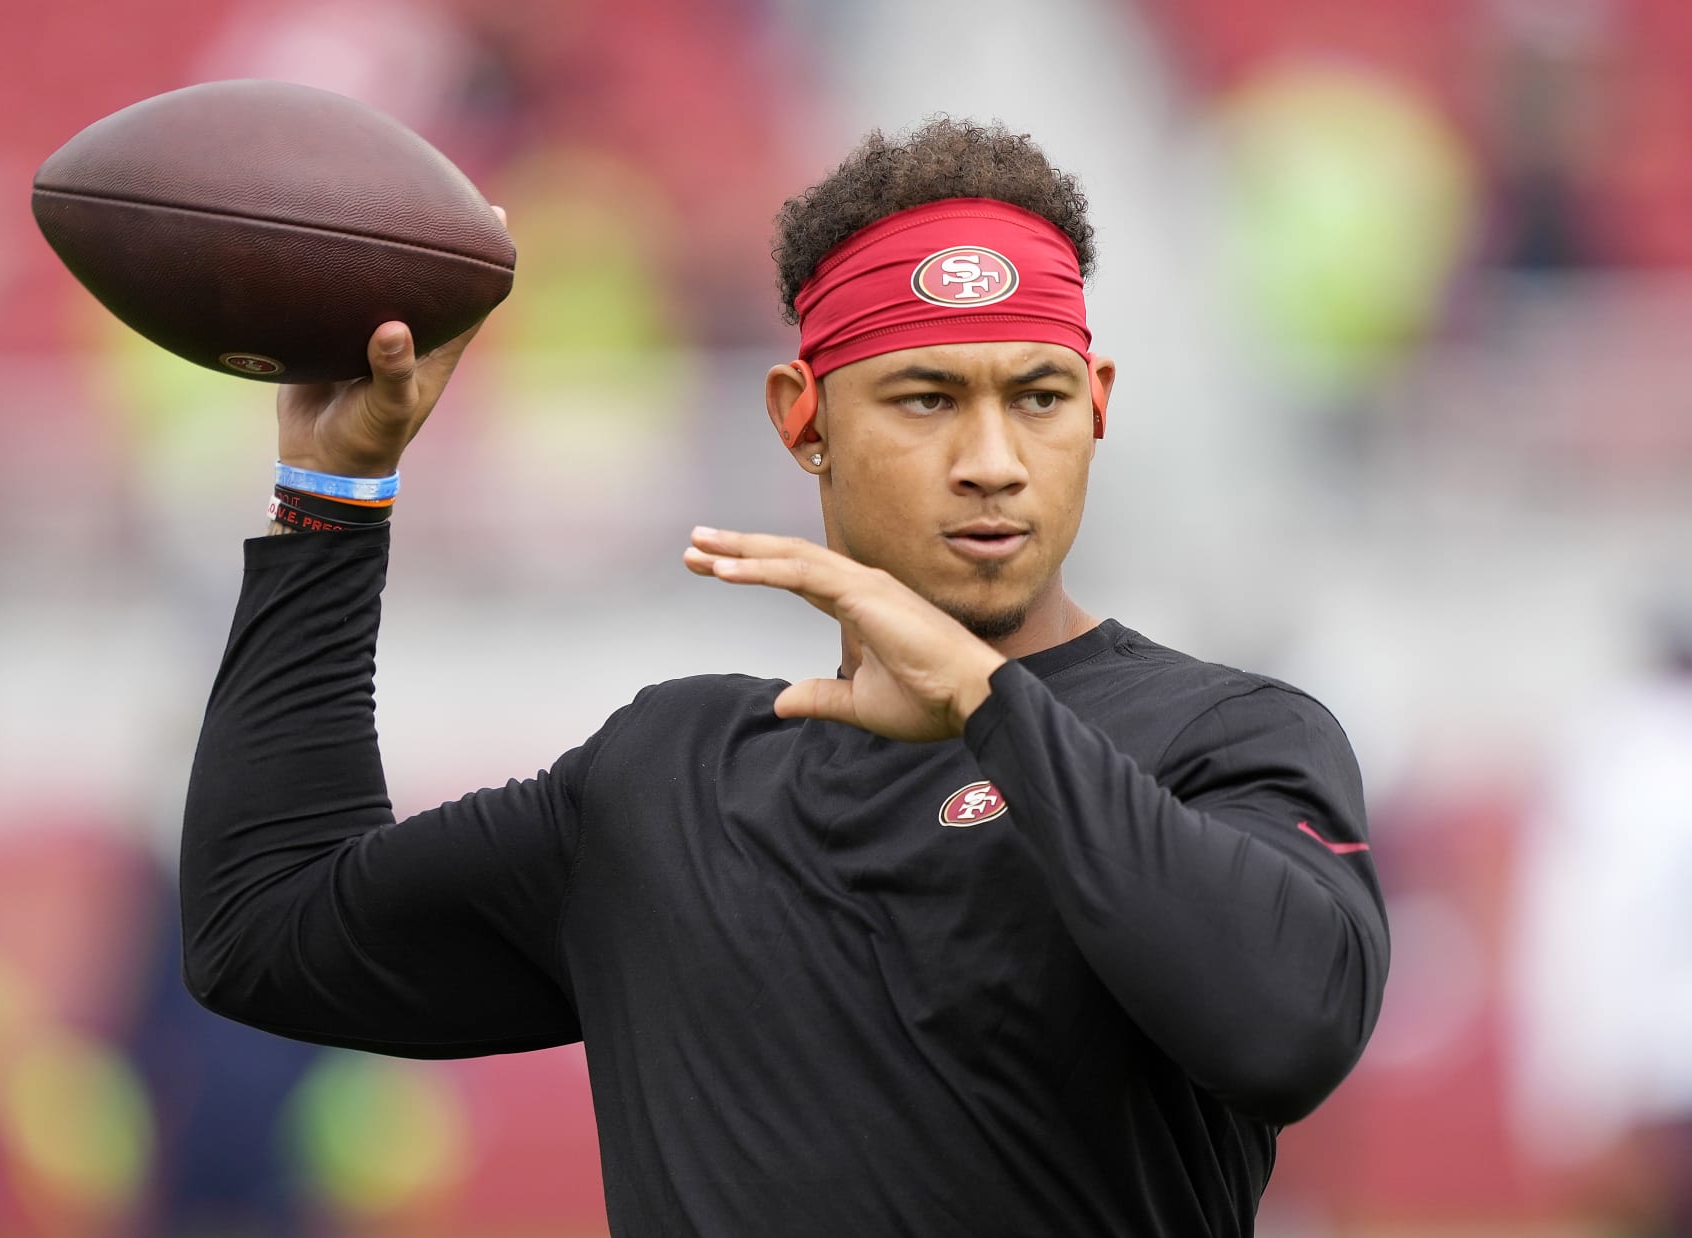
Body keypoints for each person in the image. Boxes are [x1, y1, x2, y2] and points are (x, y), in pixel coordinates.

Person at [181, 120, 1390, 1236]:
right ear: (801, 417)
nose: (992, 461)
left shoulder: (1223, 735)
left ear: (1098, 407)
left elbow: (1286, 1029)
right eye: (926, 399)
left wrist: (991, 704)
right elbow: (265, 929)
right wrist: (330, 499)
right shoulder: (671, 778)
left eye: (1038, 397)